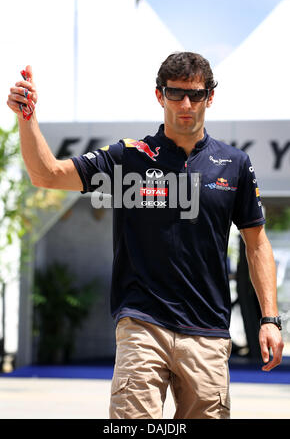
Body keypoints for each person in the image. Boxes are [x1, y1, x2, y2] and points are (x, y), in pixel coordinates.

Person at [7, 52, 284, 419]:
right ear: (159, 95)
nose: (186, 104)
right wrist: (28, 119)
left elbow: (257, 243)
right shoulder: (128, 158)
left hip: (207, 332)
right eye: (176, 93)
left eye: (196, 94)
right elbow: (47, 174)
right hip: (142, 325)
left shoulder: (234, 164)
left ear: (210, 97)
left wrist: (270, 319)